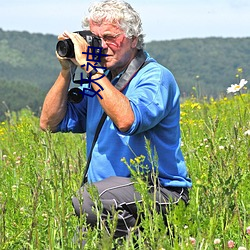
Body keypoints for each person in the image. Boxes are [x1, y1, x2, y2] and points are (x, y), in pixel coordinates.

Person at [40, 0, 192, 244]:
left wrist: (91, 69)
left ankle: (146, 241)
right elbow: (49, 123)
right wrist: (66, 71)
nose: (102, 45)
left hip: (159, 191)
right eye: (95, 37)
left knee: (88, 200)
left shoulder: (154, 77)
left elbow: (127, 120)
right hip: (110, 198)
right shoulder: (100, 80)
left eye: (110, 37)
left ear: (133, 39)